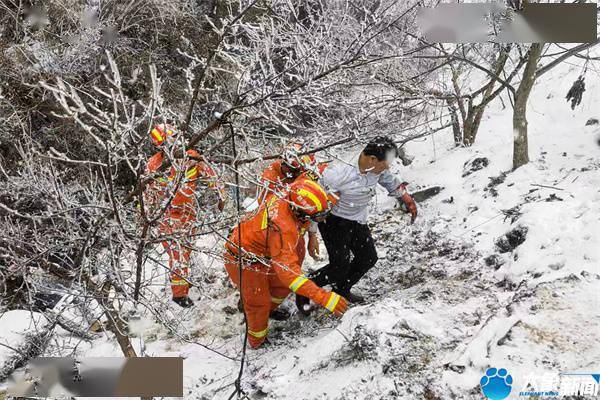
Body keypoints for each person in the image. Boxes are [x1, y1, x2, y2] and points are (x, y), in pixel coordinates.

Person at [223, 179, 348, 348]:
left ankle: (267, 310)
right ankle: (257, 340)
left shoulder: (294, 193)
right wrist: (323, 297)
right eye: (317, 217)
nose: (320, 220)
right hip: (242, 260)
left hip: (265, 252)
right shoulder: (282, 227)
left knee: (280, 287)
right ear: (299, 212)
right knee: (259, 302)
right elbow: (290, 275)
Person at [297, 136, 417, 311]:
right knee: (339, 265)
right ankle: (306, 288)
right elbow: (317, 205)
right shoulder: (338, 174)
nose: (387, 168)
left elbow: (389, 179)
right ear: (372, 159)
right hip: (333, 221)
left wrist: (407, 199)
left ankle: (341, 288)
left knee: (368, 257)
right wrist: (312, 235)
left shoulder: (376, 167)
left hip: (358, 218)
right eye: (385, 164)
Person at [143, 123, 227, 308]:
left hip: (187, 213)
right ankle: (179, 295)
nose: (174, 144)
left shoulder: (190, 157)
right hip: (167, 216)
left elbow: (211, 175)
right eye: (169, 141)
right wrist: (148, 220)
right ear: (161, 145)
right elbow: (147, 196)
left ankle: (184, 280)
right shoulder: (154, 165)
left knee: (185, 251)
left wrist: (221, 196)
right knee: (178, 253)